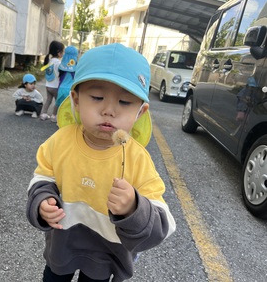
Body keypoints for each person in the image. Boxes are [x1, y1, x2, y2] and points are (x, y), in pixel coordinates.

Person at [26, 43, 176, 281]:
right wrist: (43, 199)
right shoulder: (60, 141)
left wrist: (134, 208)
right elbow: (43, 176)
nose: (109, 110)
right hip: (62, 245)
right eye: (96, 97)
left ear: (141, 111)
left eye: (125, 102)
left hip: (107, 254)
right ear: (76, 100)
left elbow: (164, 221)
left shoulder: (137, 159)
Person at [40, 40, 65, 122]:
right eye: (62, 52)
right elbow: (60, 73)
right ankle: (54, 116)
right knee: (58, 102)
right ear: (59, 53)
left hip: (48, 85)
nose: (63, 53)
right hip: (55, 86)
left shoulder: (49, 61)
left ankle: (43, 114)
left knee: (48, 100)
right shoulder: (58, 63)